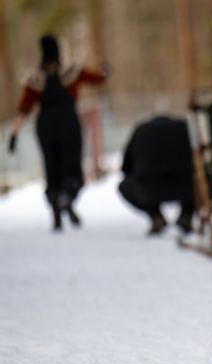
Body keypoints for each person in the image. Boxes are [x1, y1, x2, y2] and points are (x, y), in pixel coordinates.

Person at [7, 35, 107, 231]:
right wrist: (105, 71)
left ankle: (56, 210)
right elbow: (96, 79)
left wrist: (14, 134)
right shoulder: (71, 72)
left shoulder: (35, 80)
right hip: (68, 125)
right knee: (72, 166)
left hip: (45, 128)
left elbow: (24, 108)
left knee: (51, 168)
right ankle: (68, 197)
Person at [119, 116, 195, 236]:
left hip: (148, 191)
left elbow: (125, 168)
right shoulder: (184, 127)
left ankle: (156, 216)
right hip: (188, 190)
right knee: (207, 184)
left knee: (124, 186)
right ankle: (187, 214)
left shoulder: (140, 131)